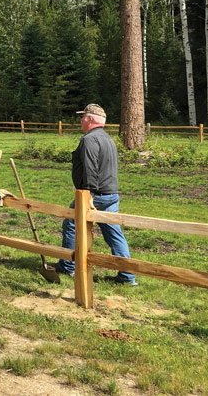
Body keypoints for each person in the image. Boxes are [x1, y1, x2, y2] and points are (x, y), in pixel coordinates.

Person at [55, 104, 136, 286]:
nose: (81, 120)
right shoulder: (108, 139)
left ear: (90, 119)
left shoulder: (89, 140)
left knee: (70, 223)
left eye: (83, 117)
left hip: (94, 195)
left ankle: (68, 266)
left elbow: (90, 168)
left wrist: (88, 196)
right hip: (110, 194)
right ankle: (127, 276)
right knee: (113, 232)